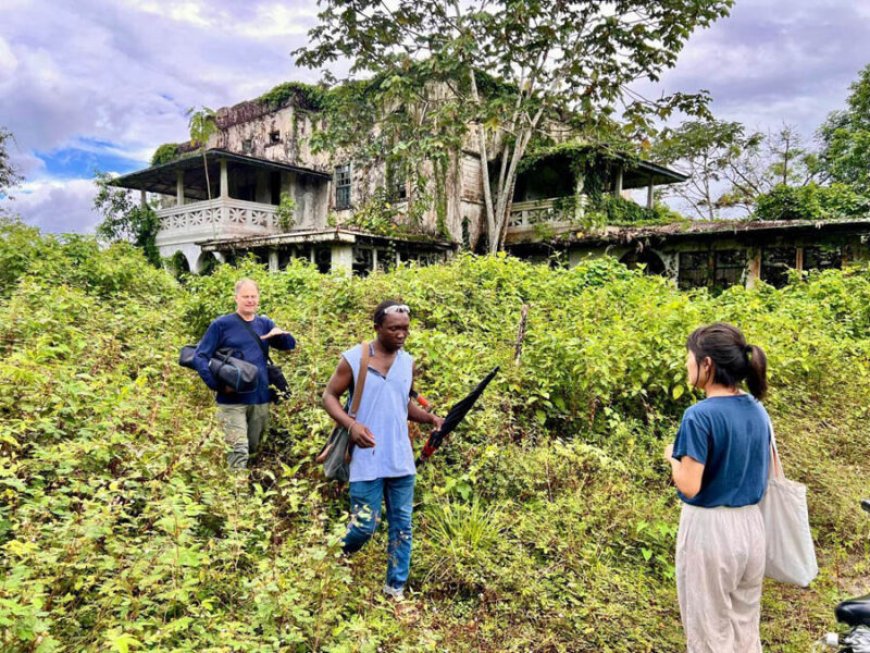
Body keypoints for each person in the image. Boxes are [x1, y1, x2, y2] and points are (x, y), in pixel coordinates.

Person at [322, 299, 443, 600]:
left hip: (400, 460)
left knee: (402, 526)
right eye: (394, 329)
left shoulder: (407, 362)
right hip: (366, 458)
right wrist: (352, 426)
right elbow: (329, 396)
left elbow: (402, 404)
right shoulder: (354, 359)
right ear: (377, 327)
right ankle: (331, 559)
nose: (401, 334)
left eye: (405, 329)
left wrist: (430, 418)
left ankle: (395, 590)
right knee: (364, 526)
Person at [663, 322, 771, 653]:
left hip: (710, 533)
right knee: (744, 628)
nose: (686, 364)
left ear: (706, 364)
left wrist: (671, 458)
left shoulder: (699, 416)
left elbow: (690, 485)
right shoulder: (757, 408)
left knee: (709, 634)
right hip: (752, 528)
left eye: (689, 357)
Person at [193, 278, 296, 470]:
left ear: (258, 298)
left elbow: (289, 346)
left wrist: (280, 334)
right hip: (232, 402)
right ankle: (236, 495)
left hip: (260, 399)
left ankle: (249, 490)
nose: (250, 300)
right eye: (245, 296)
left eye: (253, 296)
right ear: (236, 299)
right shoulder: (221, 325)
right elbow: (199, 357)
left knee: (254, 449)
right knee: (238, 449)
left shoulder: (265, 324)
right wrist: (217, 385)